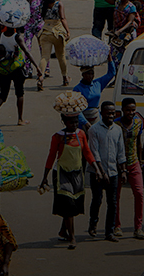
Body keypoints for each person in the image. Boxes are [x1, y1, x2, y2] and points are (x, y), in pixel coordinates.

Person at [39, 105, 102, 249]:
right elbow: (51, 156)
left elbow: (87, 152)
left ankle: (63, 229)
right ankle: (72, 237)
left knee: (73, 204)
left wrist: (97, 168)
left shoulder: (81, 134)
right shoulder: (58, 137)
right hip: (61, 173)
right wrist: (45, 177)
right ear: (64, 122)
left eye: (75, 122)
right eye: (71, 122)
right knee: (67, 203)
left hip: (77, 172)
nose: (73, 125)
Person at [87, 101, 126, 241]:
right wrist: (102, 172)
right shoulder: (94, 130)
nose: (111, 115)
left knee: (113, 202)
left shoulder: (117, 130)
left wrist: (123, 170)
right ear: (101, 113)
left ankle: (109, 231)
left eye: (113, 113)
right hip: (97, 172)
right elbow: (94, 152)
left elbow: (121, 151)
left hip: (113, 171)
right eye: (108, 113)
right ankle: (93, 224)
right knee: (97, 200)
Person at [0, 26, 41, 125]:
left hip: (4, 70)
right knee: (19, 94)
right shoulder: (17, 37)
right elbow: (26, 52)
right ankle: (20, 119)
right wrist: (37, 66)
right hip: (17, 69)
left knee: (2, 95)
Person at [117, 97, 144, 240]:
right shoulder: (116, 125)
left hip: (134, 162)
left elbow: (139, 143)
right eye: (128, 110)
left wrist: (140, 161)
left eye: (133, 110)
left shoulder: (138, 123)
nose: (131, 112)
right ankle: (116, 226)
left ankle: (138, 228)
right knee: (116, 196)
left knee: (139, 194)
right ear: (123, 110)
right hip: (118, 164)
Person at [35, 0, 70, 89]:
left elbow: (41, 17)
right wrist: (67, 32)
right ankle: (65, 77)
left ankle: (40, 78)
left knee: (44, 57)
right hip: (57, 32)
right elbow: (63, 18)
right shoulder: (59, 4)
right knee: (61, 56)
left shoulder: (41, 5)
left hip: (45, 32)